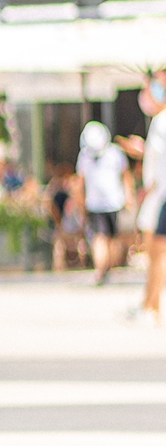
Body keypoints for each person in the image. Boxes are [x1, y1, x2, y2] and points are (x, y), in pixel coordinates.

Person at [79, 120, 130, 285]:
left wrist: (80, 202)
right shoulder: (115, 152)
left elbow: (79, 182)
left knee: (102, 238)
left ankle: (103, 270)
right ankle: (105, 269)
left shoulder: (85, 156)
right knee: (107, 238)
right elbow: (126, 176)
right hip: (111, 202)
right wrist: (129, 195)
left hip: (100, 202)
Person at [136, 72, 166, 321]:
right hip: (159, 195)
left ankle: (152, 306)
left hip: (161, 196)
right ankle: (150, 304)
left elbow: (155, 170)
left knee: (157, 253)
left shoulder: (161, 122)